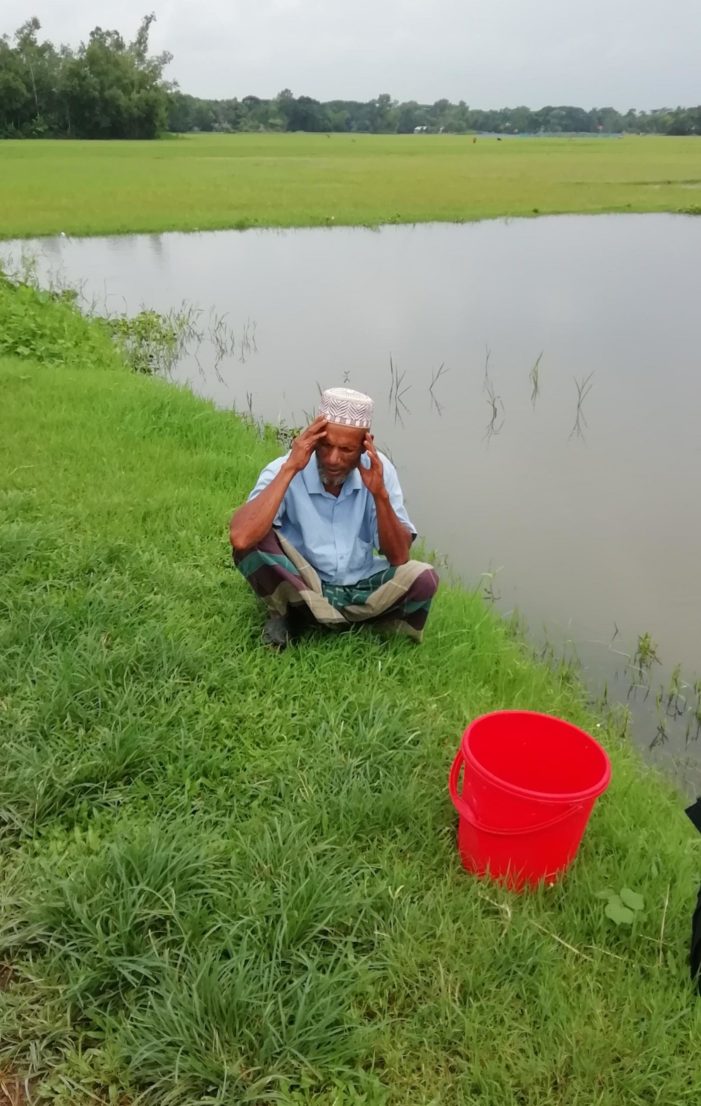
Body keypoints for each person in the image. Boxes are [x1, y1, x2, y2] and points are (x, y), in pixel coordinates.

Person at [230, 387, 439, 649]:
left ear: (365, 445)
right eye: (325, 445)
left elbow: (398, 557)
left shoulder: (379, 470)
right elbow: (240, 537)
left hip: (359, 582)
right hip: (303, 583)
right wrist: (290, 468)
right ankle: (289, 615)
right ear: (313, 438)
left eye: (346, 450)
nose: (333, 459)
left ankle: (326, 620)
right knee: (254, 540)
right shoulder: (287, 466)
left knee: (423, 578)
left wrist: (380, 495)